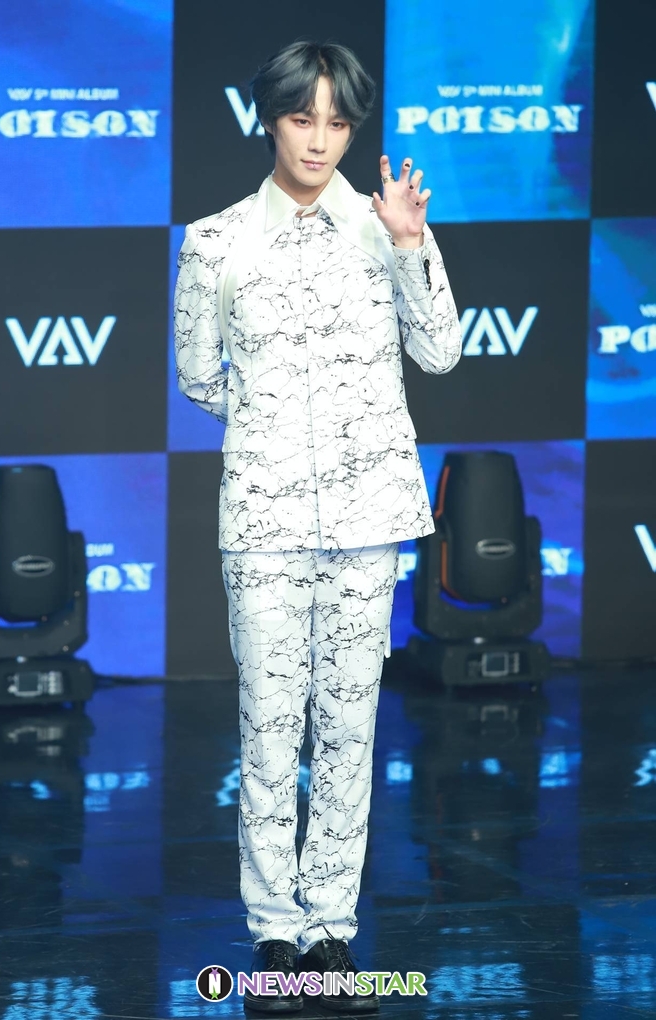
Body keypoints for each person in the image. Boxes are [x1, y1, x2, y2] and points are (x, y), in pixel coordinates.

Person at [174, 40, 461, 1015]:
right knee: (267, 729)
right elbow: (198, 376)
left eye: (338, 122)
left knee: (348, 727)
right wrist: (277, 433)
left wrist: (412, 245)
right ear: (271, 119)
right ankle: (272, 932)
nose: (319, 140)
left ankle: (330, 931)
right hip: (263, 520)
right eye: (303, 118)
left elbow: (441, 353)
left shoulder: (387, 229)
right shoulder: (214, 242)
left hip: (368, 518)